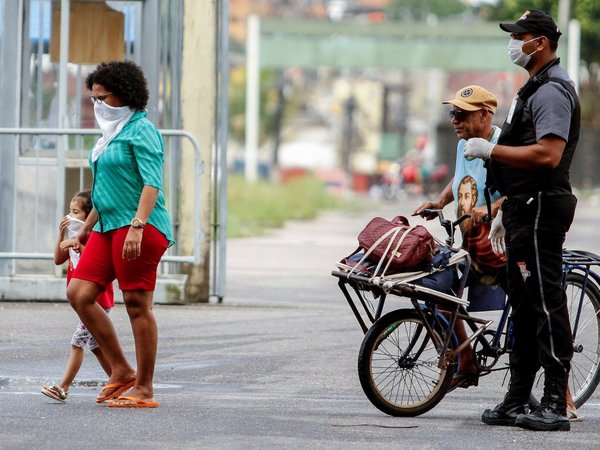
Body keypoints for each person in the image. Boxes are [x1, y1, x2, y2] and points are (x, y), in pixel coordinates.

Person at [464, 10, 580, 431]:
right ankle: (517, 398)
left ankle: (554, 401)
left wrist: (490, 151)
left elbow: (548, 154)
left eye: (521, 36)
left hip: (542, 208)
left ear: (542, 42)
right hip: (522, 208)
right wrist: (507, 206)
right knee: (524, 306)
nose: (514, 43)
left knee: (546, 304)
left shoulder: (552, 90)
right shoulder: (533, 88)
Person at [67, 60, 174, 408]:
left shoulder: (141, 130)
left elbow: (151, 182)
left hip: (139, 228)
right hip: (108, 225)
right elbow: (108, 188)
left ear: (125, 95)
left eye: (104, 97)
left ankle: (144, 387)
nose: (98, 105)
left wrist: (138, 226)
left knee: (136, 305)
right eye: (93, 98)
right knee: (79, 293)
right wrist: (86, 226)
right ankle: (121, 370)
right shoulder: (109, 134)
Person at [413, 85, 506, 389]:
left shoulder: (503, 144)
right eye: (452, 113)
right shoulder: (463, 143)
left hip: (498, 243)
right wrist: (439, 202)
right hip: (469, 241)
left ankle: (563, 396)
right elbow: (460, 175)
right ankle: (467, 363)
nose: (454, 120)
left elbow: (521, 188)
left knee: (528, 309)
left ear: (484, 114)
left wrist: (489, 209)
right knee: (438, 291)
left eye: (461, 114)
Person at [41, 190, 115, 403]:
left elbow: (95, 262)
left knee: (77, 342)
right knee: (95, 346)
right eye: (69, 211)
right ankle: (117, 382)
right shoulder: (73, 237)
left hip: (96, 301)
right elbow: (58, 260)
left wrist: (78, 244)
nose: (70, 215)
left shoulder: (94, 238)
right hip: (84, 301)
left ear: (88, 216)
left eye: (75, 212)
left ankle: (62, 387)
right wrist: (62, 236)